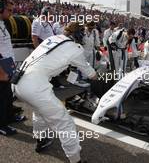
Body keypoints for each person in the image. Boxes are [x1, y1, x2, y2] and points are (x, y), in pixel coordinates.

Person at [14, 22, 97, 163]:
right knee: (65, 123)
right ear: (79, 35)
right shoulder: (74, 48)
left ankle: (41, 140)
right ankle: (75, 160)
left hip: (18, 82)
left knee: (39, 112)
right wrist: (98, 74)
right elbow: (90, 74)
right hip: (35, 86)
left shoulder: (51, 38)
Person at [0, 0, 25, 136]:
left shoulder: (3, 22)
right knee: (1, 96)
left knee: (8, 94)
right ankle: (1, 124)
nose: (11, 13)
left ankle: (8, 117)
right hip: (1, 65)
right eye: (8, 10)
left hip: (7, 63)